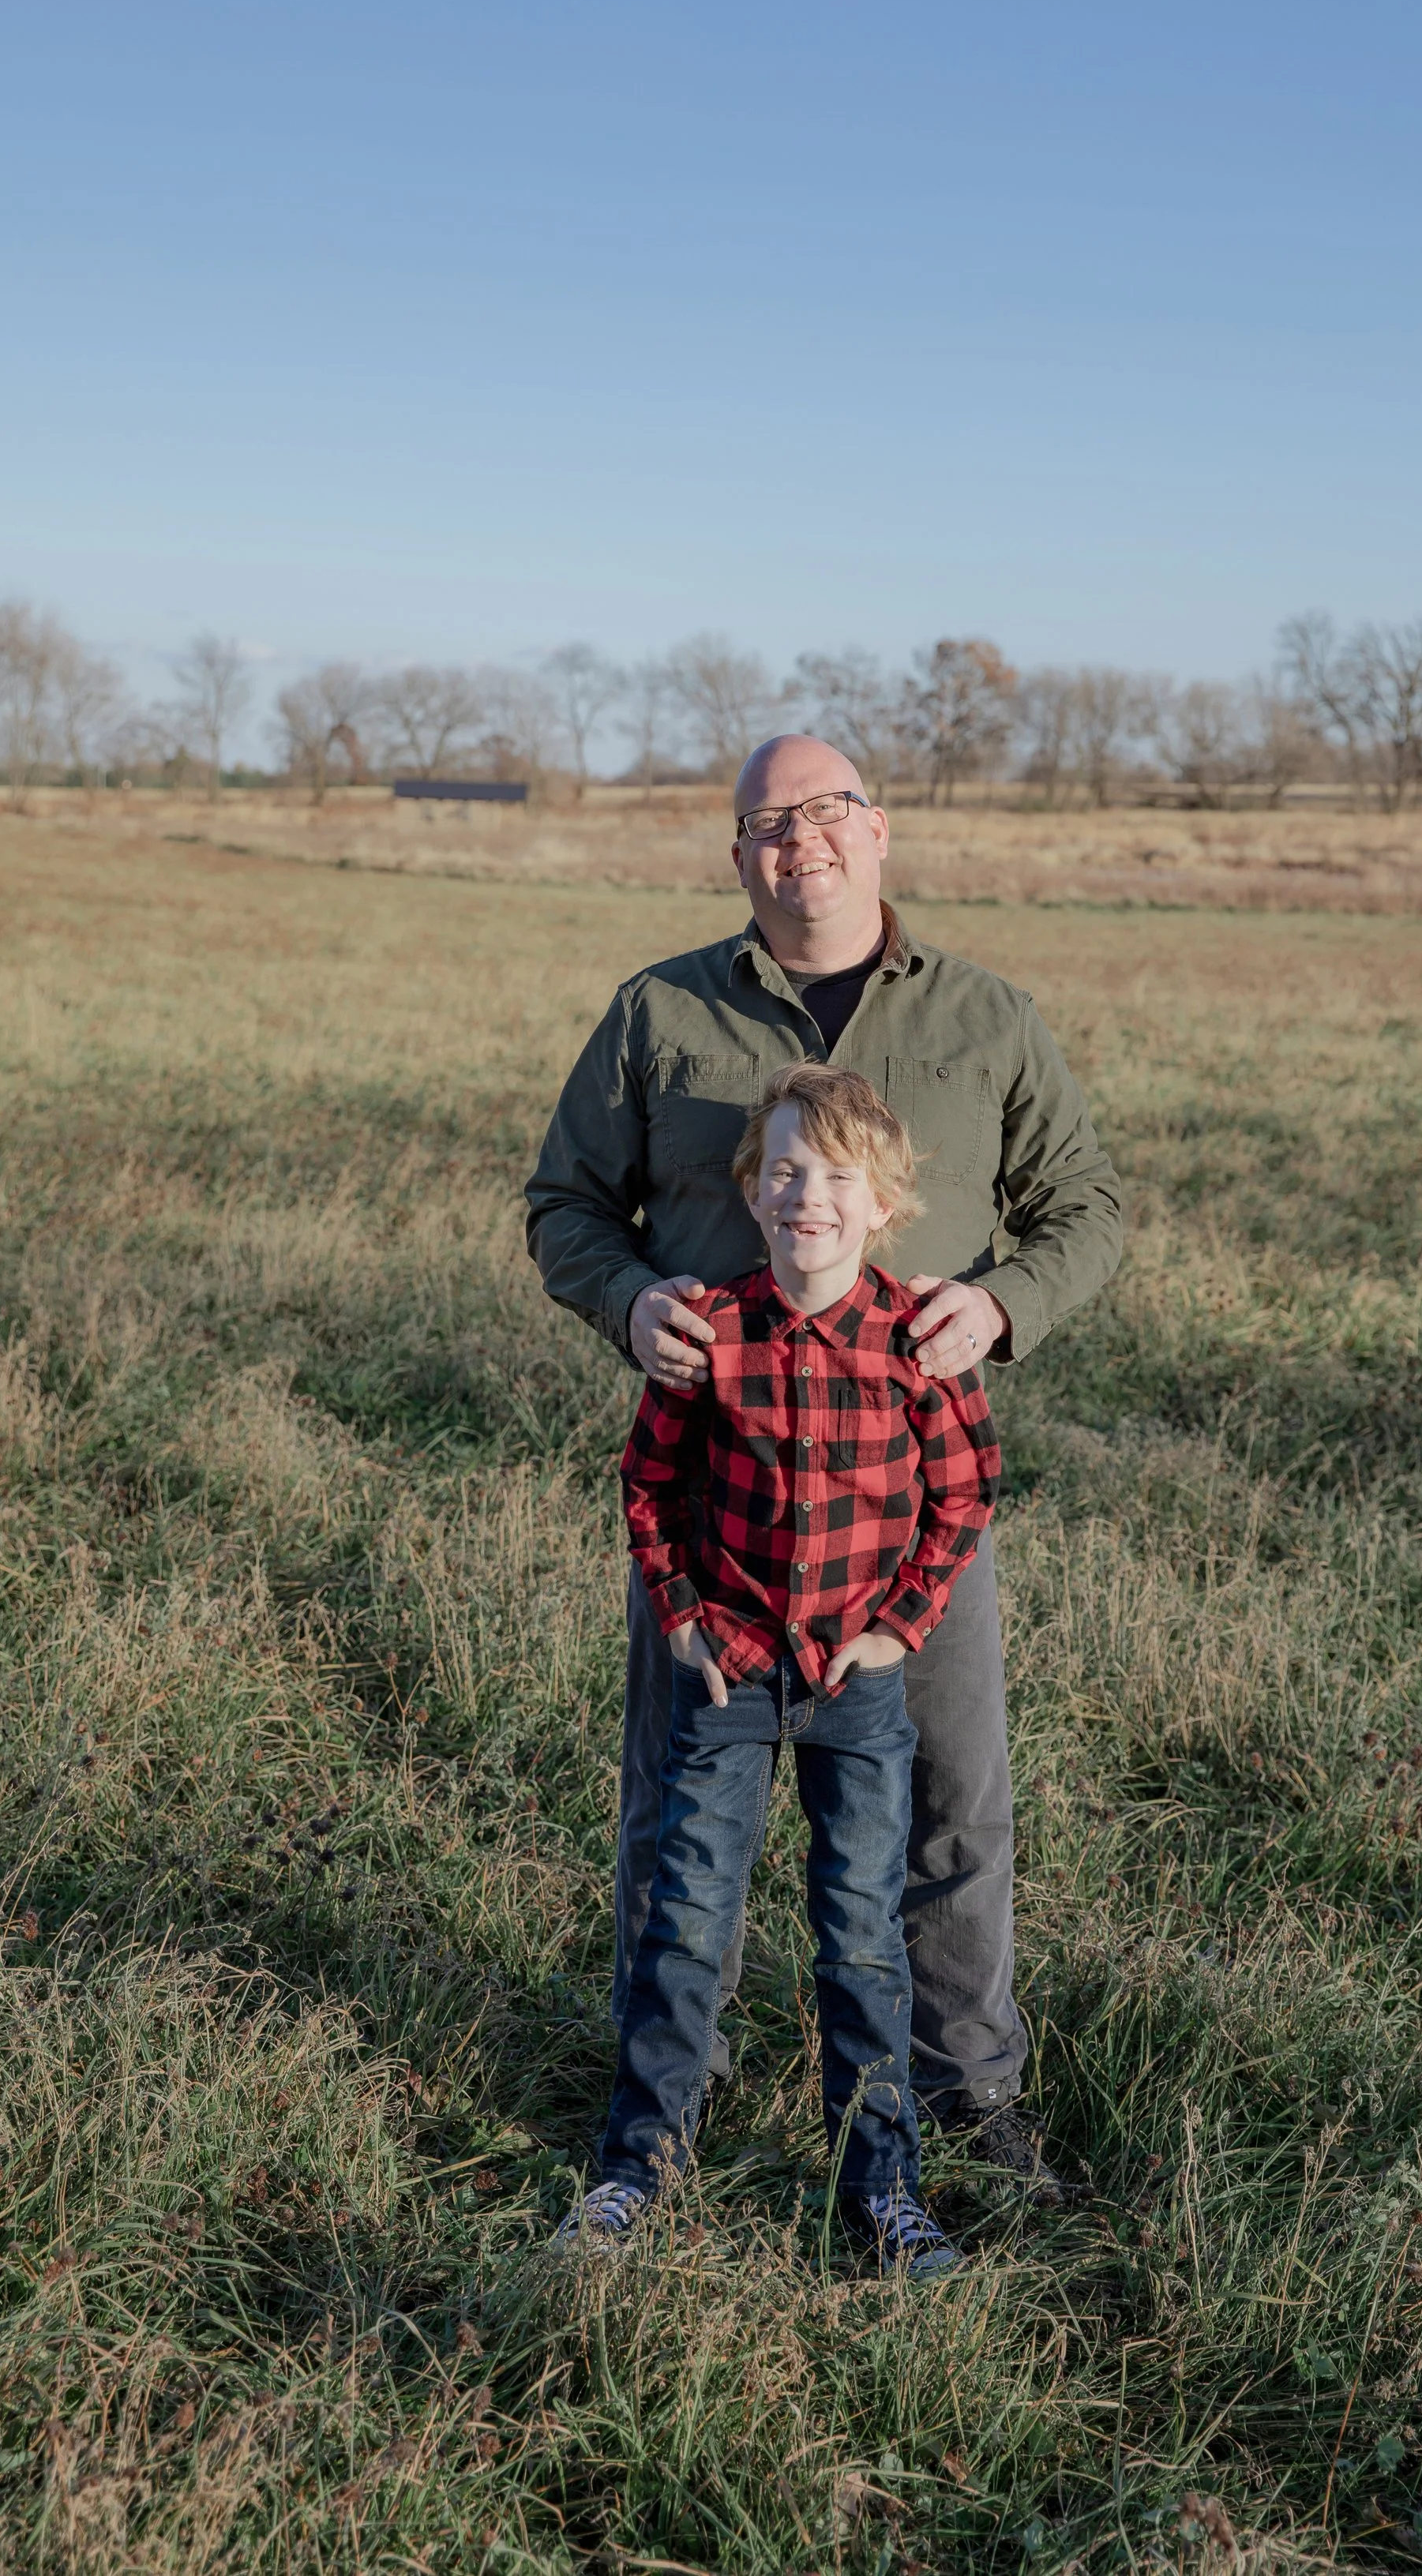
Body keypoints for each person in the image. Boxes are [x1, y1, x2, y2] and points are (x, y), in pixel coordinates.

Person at [525, 732, 1121, 2190]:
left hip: (909, 1500)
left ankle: (965, 2091)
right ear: (738, 856)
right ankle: (665, 2099)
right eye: (769, 821)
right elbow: (564, 1206)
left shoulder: (988, 1017)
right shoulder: (658, 1013)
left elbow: (1089, 1209)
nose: (804, 840)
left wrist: (1003, 1303)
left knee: (949, 1799)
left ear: (882, 829)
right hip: (716, 1492)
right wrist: (632, 1298)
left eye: (830, 810)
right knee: (680, 1794)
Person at [556, 1064, 999, 2271]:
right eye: (787, 1169)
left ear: (884, 1205)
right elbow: (648, 1480)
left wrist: (901, 1625)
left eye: (838, 1177)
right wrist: (685, 1613)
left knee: (859, 1929)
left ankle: (881, 2184)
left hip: (857, 1685)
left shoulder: (911, 1341)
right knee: (688, 1915)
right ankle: (637, 2165)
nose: (810, 1194)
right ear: (752, 1190)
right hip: (731, 1672)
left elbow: (965, 1493)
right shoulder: (715, 1332)